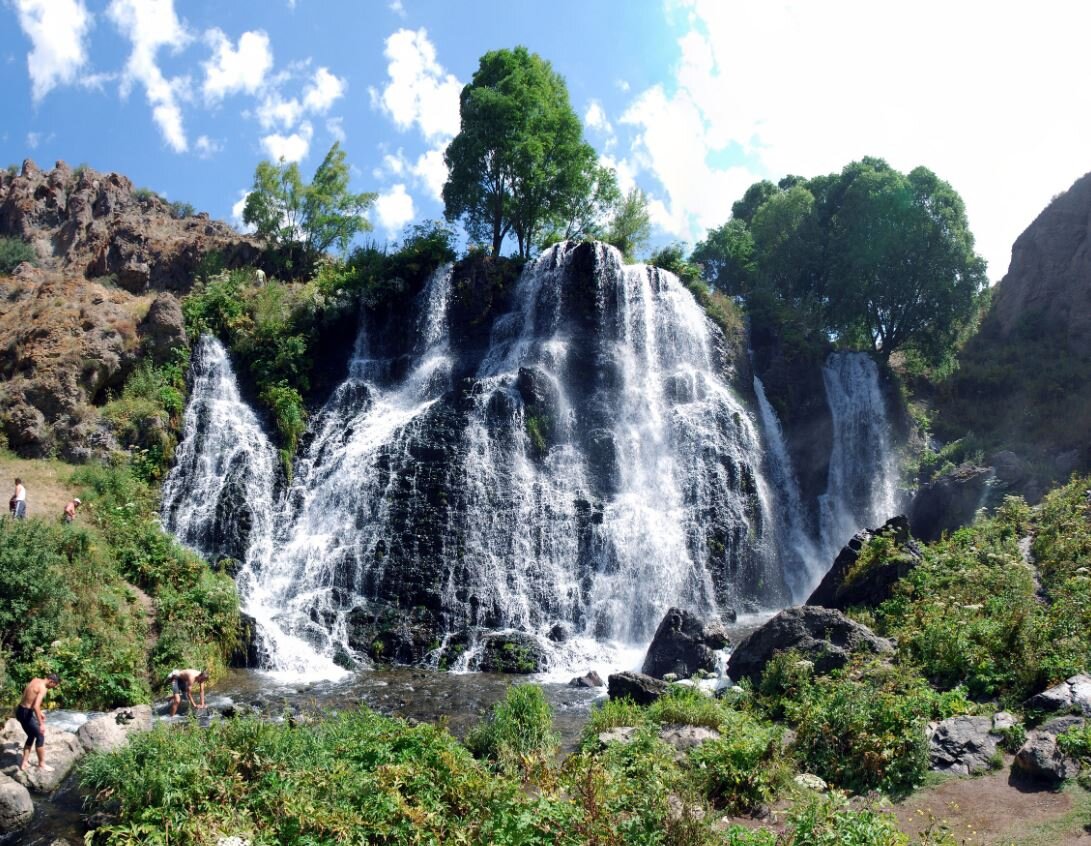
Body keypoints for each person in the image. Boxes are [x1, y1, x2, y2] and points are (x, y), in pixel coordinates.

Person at [16, 674, 60, 771]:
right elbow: (36, 706)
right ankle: (42, 764)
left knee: (31, 735)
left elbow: (29, 697)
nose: (52, 688)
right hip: (26, 713)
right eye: (54, 685)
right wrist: (41, 724)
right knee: (40, 735)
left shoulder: (35, 679)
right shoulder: (43, 688)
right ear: (51, 681)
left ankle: (24, 762)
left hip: (20, 710)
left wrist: (39, 713)